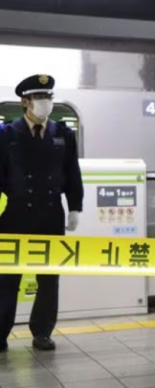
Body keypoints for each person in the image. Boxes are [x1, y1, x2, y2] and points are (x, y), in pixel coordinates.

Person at [0, 74, 83, 353]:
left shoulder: (63, 134)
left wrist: (75, 207)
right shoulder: (7, 134)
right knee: (8, 277)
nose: (45, 103)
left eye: (48, 97)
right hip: (15, 216)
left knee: (49, 278)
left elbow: (72, 173)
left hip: (51, 215)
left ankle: (42, 332)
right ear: (25, 102)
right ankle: (0, 333)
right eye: (39, 98)